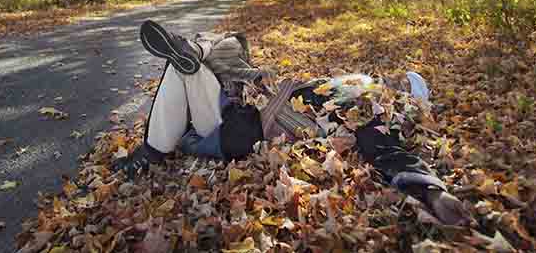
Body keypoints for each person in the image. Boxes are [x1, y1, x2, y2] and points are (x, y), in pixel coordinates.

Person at [113, 20, 472, 227]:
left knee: (184, 68)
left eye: (403, 85)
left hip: (247, 129)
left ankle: (153, 148)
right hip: (251, 101)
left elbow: (390, 153)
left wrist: (432, 191)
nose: (393, 82)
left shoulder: (379, 114)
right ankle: (198, 53)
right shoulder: (360, 86)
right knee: (226, 48)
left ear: (409, 101)